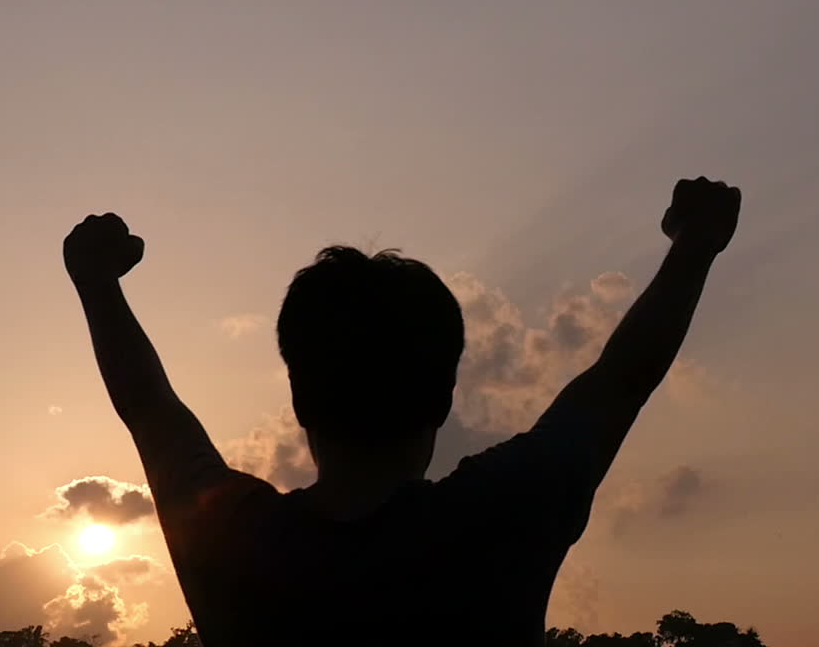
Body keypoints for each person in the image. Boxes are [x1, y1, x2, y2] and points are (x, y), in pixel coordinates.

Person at [63, 177, 741, 646]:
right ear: (445, 398)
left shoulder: (233, 541)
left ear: (299, 399)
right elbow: (622, 379)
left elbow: (150, 409)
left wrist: (97, 286)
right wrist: (694, 246)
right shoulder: (506, 514)